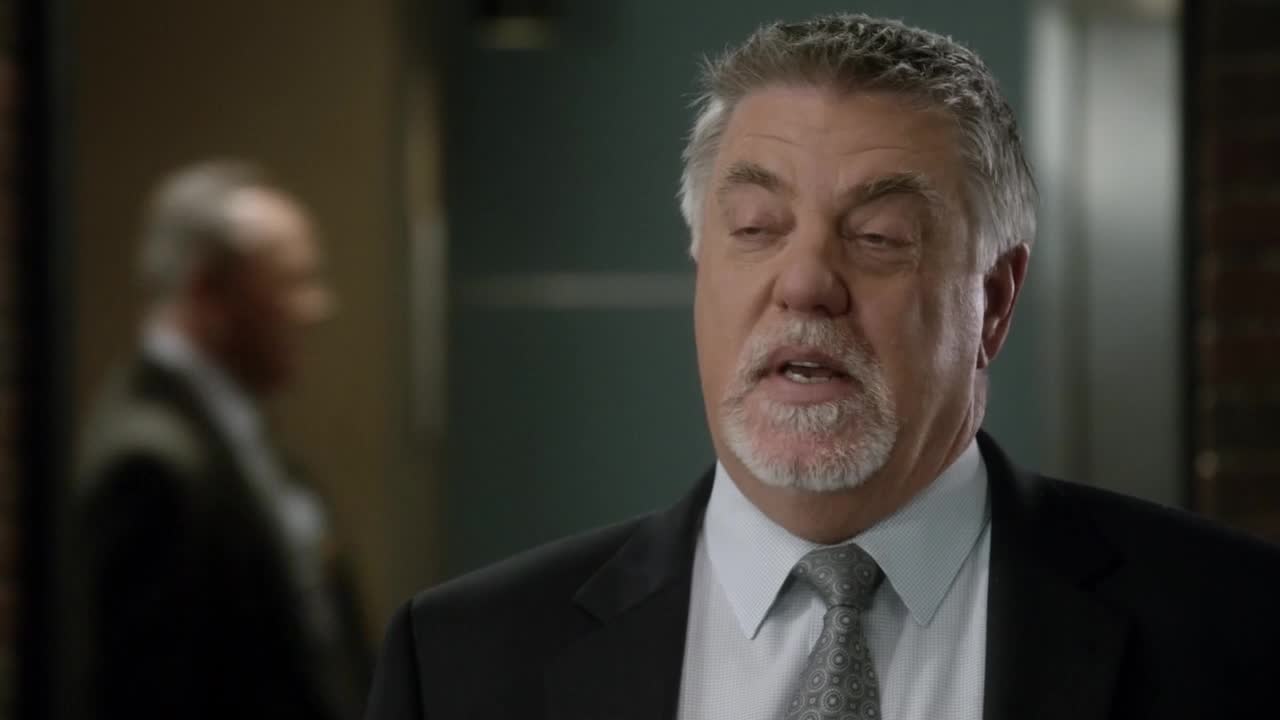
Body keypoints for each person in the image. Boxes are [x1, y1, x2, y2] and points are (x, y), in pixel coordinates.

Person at [364, 14, 1280, 720]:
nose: (804, 282)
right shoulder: (460, 665)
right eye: (756, 228)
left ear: (995, 300)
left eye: (878, 237)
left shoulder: (1240, 630)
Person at [66, 160, 370, 720]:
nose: (316, 308)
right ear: (207, 292)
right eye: (291, 282)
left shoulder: (228, 429)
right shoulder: (148, 463)